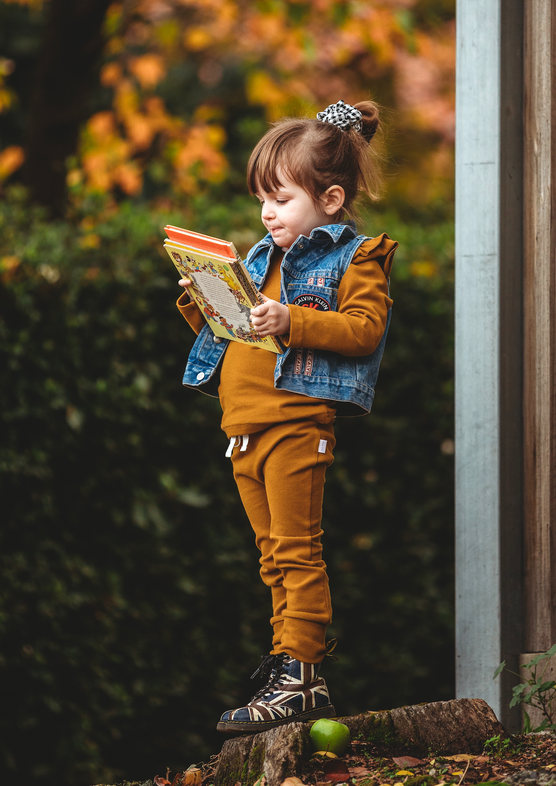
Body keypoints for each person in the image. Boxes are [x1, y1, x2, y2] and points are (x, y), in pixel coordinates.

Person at [176, 100, 398, 734]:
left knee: (297, 552)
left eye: (280, 199)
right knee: (272, 555)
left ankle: (300, 674)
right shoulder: (260, 259)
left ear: (330, 199)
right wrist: (205, 297)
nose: (266, 212)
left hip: (297, 426)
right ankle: (288, 670)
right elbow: (234, 333)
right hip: (243, 429)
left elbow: (363, 329)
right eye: (261, 200)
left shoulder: (355, 257)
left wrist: (292, 318)